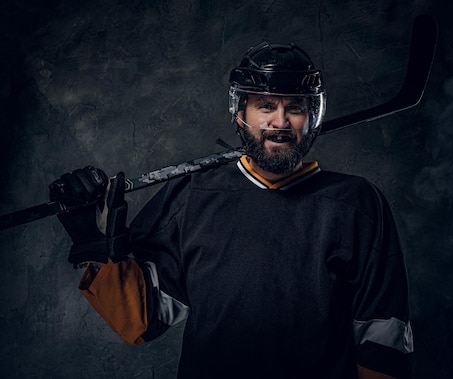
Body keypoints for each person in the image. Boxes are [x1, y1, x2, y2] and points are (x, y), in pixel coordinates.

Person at [49, 41, 414, 379]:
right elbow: (140, 320)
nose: (280, 122)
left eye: (295, 107)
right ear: (242, 112)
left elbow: (384, 336)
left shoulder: (356, 205)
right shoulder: (193, 195)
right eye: (266, 106)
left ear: (312, 115)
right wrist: (94, 244)